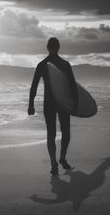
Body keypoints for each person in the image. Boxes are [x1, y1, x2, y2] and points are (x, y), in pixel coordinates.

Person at [28, 37, 78, 175]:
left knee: (51, 134)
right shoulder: (65, 64)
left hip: (49, 102)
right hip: (63, 102)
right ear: (59, 47)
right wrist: (76, 104)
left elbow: (34, 87)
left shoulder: (42, 64)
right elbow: (72, 86)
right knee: (66, 133)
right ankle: (62, 158)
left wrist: (31, 104)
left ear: (47, 47)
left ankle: (53, 164)